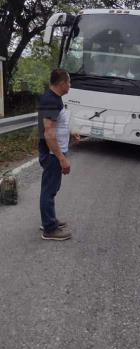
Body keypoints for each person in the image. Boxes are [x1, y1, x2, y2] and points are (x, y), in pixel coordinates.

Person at [38, 69, 79, 241]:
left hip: (55, 152)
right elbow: (48, 132)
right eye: (69, 82)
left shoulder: (55, 99)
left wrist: (70, 133)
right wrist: (62, 158)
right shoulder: (50, 101)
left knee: (51, 189)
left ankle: (50, 220)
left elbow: (56, 125)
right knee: (49, 190)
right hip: (52, 154)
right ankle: (49, 229)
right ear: (62, 83)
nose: (70, 85)